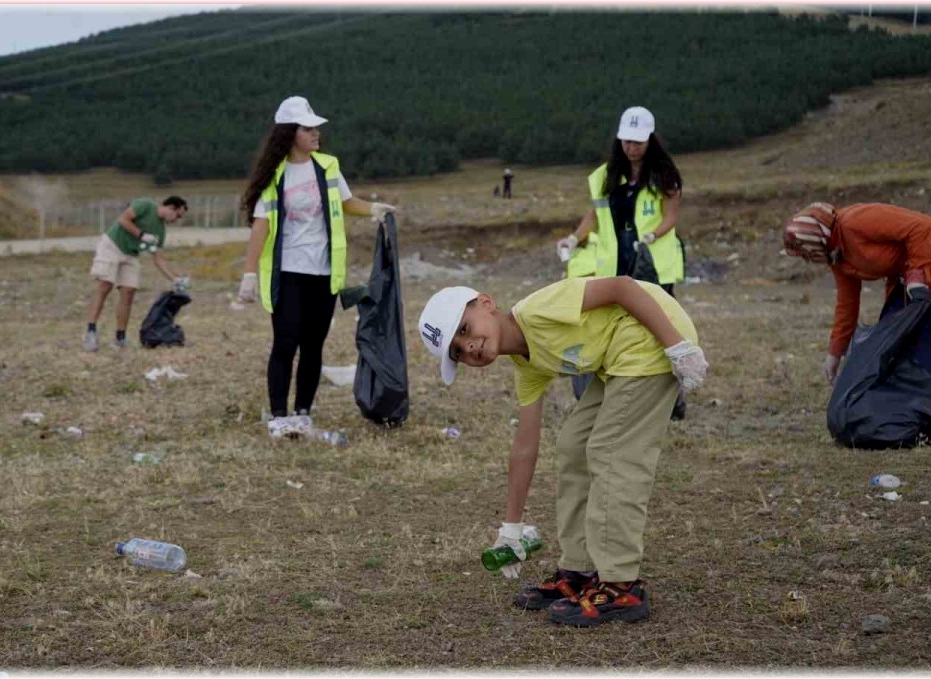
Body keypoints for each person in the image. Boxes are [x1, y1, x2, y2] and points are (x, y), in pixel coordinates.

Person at [417, 275, 707, 626]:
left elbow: (622, 288)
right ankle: (579, 571)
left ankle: (621, 585)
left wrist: (676, 346)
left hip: (653, 337)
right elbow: (524, 446)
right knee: (574, 445)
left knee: (611, 451)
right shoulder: (526, 364)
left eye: (464, 329)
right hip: (619, 356)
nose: (469, 347)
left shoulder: (538, 311)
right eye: (457, 352)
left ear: (486, 303)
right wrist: (512, 527)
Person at [236, 96, 394, 436]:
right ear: (291, 133)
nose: (316, 134)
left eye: (316, 128)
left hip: (324, 273)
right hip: (289, 272)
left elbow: (347, 202)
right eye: (309, 129)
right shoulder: (275, 177)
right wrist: (249, 273)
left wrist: (375, 209)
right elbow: (261, 227)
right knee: (285, 342)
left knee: (313, 345)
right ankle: (279, 417)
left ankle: (303, 412)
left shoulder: (327, 167)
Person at [556, 106, 687, 418]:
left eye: (638, 142)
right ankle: (622, 398)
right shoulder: (606, 176)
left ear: (650, 140)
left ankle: (673, 401)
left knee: (660, 331)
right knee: (616, 332)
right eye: (627, 141)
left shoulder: (665, 175)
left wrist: (652, 236)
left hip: (652, 266)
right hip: (615, 269)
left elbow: (670, 217)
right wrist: (575, 238)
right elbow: (596, 215)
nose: (632, 147)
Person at [782, 201, 931, 381]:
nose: (807, 259)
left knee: (930, 338)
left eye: (804, 252)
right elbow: (847, 303)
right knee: (894, 338)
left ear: (813, 238)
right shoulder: (837, 256)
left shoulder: (856, 221)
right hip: (905, 282)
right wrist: (835, 353)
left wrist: (917, 275)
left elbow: (921, 227)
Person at [82, 195, 188, 351]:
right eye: (178, 215)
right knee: (105, 286)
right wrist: (142, 235)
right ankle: (90, 332)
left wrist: (175, 279)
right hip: (112, 245)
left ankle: (120, 338)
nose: (176, 220)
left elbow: (158, 260)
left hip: (130, 254)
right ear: (171, 207)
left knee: (129, 291)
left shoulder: (160, 231)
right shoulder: (145, 205)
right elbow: (123, 220)